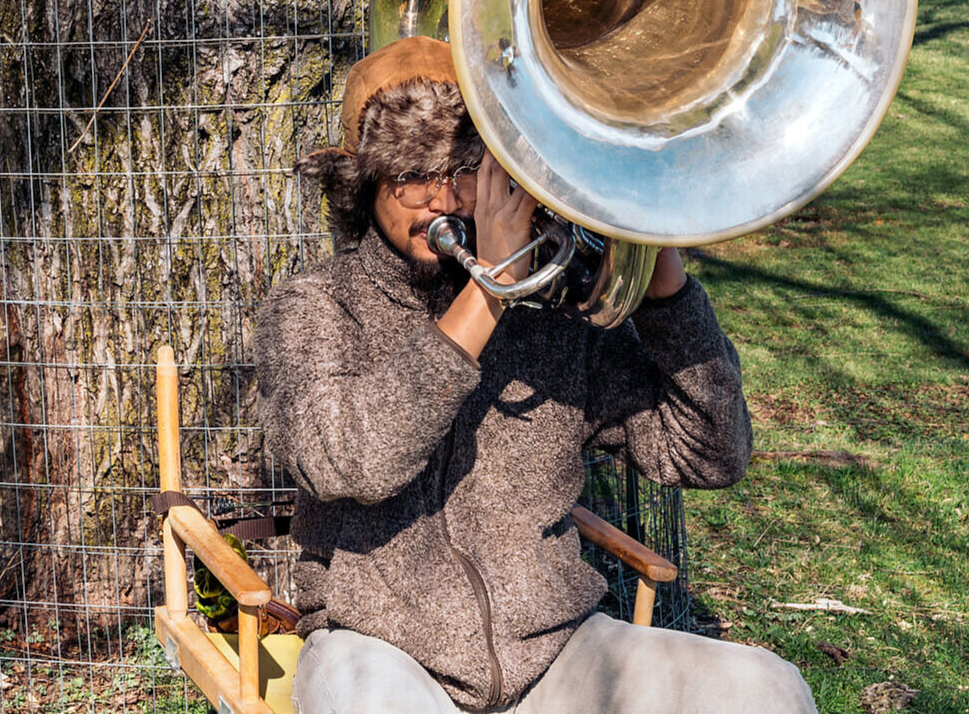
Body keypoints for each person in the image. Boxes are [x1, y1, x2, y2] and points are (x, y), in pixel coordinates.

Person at [254, 35, 815, 713]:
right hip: (376, 651)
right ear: (364, 183)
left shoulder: (549, 317)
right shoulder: (315, 305)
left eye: (460, 172)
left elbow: (708, 453)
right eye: (409, 175)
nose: (437, 200)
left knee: (764, 688)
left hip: (558, 654)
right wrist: (488, 292)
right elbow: (350, 460)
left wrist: (663, 279)